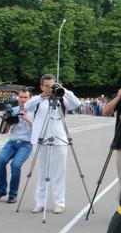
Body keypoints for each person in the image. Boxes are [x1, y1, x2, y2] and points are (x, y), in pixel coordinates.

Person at [25, 74, 80, 214]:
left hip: (60, 139)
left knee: (59, 172)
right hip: (41, 139)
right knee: (42, 172)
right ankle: (40, 202)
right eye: (47, 86)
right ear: (42, 86)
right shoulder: (38, 100)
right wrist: (41, 96)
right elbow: (27, 106)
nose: (50, 89)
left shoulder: (61, 97)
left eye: (52, 85)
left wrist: (63, 90)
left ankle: (59, 202)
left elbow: (76, 104)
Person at [0, 88, 33, 204]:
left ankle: (13, 194)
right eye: (21, 97)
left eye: (25, 97)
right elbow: (4, 131)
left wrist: (28, 120)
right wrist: (6, 120)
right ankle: (1, 190)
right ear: (18, 98)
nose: (23, 100)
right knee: (0, 161)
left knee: (15, 165)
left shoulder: (35, 112)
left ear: (30, 98)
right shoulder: (13, 110)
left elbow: (39, 130)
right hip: (12, 141)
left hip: (26, 143)